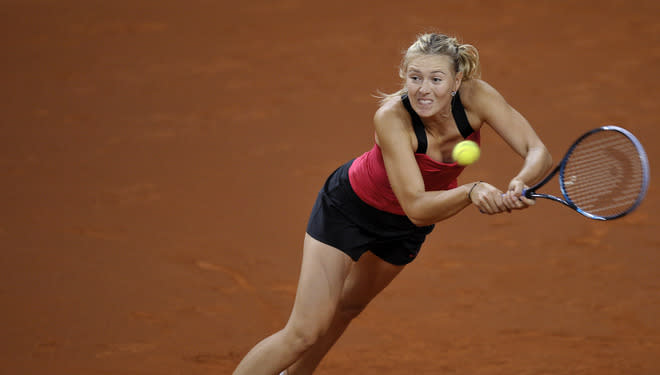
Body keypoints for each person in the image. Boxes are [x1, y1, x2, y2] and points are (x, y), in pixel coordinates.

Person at [232, 32, 553, 375]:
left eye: (436, 79)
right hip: (349, 211)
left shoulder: (479, 97)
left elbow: (538, 152)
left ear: (457, 80)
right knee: (304, 331)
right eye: (415, 78)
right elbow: (415, 205)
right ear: (404, 77)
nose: (423, 90)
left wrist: (521, 180)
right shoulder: (392, 118)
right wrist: (470, 191)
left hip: (400, 230)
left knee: (349, 307)